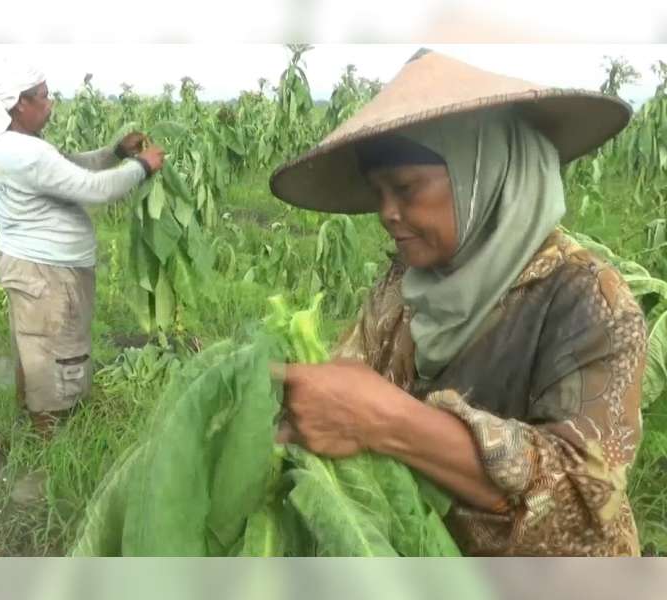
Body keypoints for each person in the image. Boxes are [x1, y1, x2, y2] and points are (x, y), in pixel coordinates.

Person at [269, 49, 647, 556]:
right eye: (377, 192)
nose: (386, 213)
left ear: (484, 176)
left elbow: (585, 508)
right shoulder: (402, 286)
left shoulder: (587, 300)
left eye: (404, 188)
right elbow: (347, 387)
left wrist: (388, 421)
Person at [0, 62, 165, 435]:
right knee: (54, 351)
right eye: (44, 97)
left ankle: (36, 420)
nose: (51, 103)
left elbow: (69, 165)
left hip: (35, 266)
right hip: (47, 271)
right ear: (19, 105)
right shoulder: (24, 152)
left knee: (36, 346)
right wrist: (142, 166)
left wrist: (115, 153)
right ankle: (49, 440)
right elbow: (96, 189)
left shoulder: (16, 144)